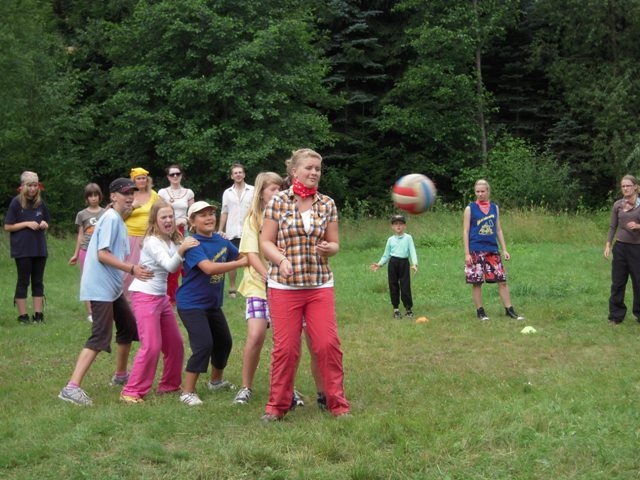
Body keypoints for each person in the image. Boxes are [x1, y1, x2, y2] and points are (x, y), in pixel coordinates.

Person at [260, 148, 350, 421]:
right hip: (284, 287)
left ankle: (337, 404)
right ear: (294, 171)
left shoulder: (327, 203)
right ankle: (277, 407)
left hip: (319, 285)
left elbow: (335, 243)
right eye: (308, 168)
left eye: (317, 169)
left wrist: (330, 248)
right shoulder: (278, 201)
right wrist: (280, 260)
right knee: (286, 350)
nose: (314, 172)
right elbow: (266, 242)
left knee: (327, 345)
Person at [58, 178, 154, 406]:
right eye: (124, 193)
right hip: (100, 286)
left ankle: (120, 375)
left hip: (112, 287)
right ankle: (71, 388)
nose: (129, 197)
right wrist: (131, 268)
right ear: (113, 196)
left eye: (131, 193)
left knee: (128, 327)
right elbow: (103, 254)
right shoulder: (111, 218)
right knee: (100, 335)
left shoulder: (117, 218)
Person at [120, 200, 200, 403]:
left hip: (161, 298)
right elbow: (170, 266)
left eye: (170, 216)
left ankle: (170, 386)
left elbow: (189, 252)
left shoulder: (172, 240)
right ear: (154, 220)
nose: (168, 220)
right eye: (163, 217)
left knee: (175, 344)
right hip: (145, 297)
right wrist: (182, 249)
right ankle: (131, 392)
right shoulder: (152, 241)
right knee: (151, 346)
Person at [176, 201, 248, 406]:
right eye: (202, 215)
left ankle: (216, 381)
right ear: (192, 222)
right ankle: (187, 392)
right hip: (191, 304)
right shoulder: (193, 244)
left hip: (212, 304)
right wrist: (239, 263)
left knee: (224, 342)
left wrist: (245, 257)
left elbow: (241, 254)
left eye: (211, 214)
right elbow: (208, 268)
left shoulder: (220, 240)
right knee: (204, 344)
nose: (209, 218)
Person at [463, 179, 524, 321]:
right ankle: (480, 311)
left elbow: (498, 229)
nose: (480, 194)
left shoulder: (494, 208)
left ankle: (509, 309)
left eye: (482, 191)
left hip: (492, 249)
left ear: (488, 191)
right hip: (476, 249)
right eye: (477, 191)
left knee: (502, 280)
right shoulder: (470, 209)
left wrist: (504, 249)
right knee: (477, 282)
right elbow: (465, 231)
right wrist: (467, 253)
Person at [4, 171, 50, 323]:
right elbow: (8, 226)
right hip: (23, 249)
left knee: (38, 281)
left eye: (35, 185)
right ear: (23, 186)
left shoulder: (40, 203)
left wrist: (44, 224)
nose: (32, 189)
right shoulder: (16, 203)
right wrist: (26, 224)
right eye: (29, 185)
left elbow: (46, 221)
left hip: (39, 248)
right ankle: (23, 316)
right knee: (23, 281)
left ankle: (38, 314)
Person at [604, 174, 640, 325]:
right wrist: (608, 244)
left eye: (628, 186)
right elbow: (613, 226)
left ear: (635, 187)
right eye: (623, 186)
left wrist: (638, 226)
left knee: (638, 282)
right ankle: (616, 315)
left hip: (637, 249)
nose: (625, 188)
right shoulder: (618, 205)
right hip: (620, 248)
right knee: (618, 282)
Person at [68, 183, 106, 322]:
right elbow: (80, 235)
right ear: (86, 198)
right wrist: (76, 254)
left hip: (101, 250)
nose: (93, 198)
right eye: (90, 196)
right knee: (87, 280)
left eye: (96, 195)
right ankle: (90, 312)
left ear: (100, 196)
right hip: (86, 250)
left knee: (102, 279)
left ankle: (102, 309)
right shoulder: (82, 214)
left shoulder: (106, 213)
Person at [158, 164, 194, 305]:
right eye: (172, 174)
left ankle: (188, 295)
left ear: (181, 175)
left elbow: (193, 212)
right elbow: (159, 211)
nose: (175, 176)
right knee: (172, 263)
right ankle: (170, 298)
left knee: (186, 264)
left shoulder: (188, 192)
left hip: (183, 230)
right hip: (167, 230)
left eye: (177, 173)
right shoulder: (162, 193)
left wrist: (185, 219)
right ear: (168, 177)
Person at [370, 214, 418, 319]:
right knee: (393, 285)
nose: (398, 226)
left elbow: (412, 251)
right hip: (393, 263)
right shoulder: (390, 240)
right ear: (392, 226)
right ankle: (396, 309)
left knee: (405, 287)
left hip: (404, 263)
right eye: (396, 224)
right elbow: (386, 255)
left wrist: (414, 263)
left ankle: (408, 309)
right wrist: (379, 264)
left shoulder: (408, 238)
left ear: (405, 226)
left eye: (401, 224)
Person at [218, 163, 254, 298]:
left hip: (249, 230)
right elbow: (224, 211)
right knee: (232, 260)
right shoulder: (227, 193)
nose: (238, 174)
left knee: (251, 258)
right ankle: (232, 287)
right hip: (232, 231)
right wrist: (220, 230)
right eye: (235, 173)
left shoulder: (253, 190)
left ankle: (250, 286)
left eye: (240, 172)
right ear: (232, 176)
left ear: (244, 174)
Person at [124, 167, 159, 297]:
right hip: (131, 235)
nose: (142, 181)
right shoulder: (129, 195)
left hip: (149, 236)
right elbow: (120, 216)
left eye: (144, 178)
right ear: (133, 180)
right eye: (138, 178)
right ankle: (126, 298)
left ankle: (143, 297)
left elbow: (159, 211)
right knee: (130, 268)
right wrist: (132, 207)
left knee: (147, 267)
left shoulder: (153, 194)